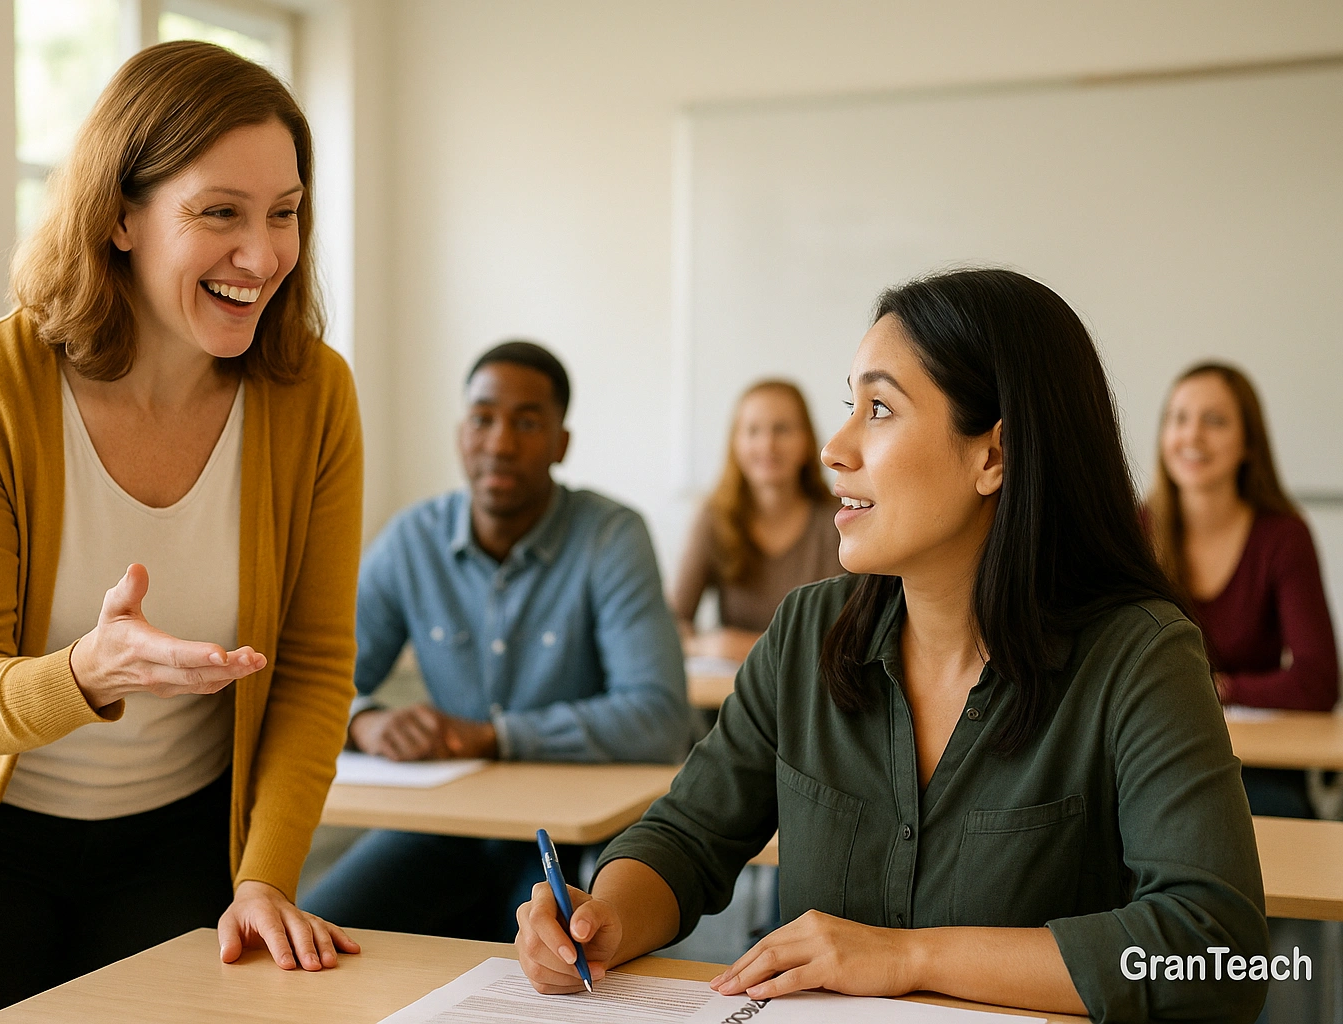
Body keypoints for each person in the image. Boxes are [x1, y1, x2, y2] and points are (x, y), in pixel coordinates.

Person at [515, 269, 1268, 1024]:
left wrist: (907, 957)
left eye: (878, 409)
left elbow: (1215, 951)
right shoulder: (807, 631)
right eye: (850, 405)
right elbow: (688, 837)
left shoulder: (1141, 658)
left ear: (994, 457)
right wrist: (603, 916)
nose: (834, 450)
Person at [0, 42, 362, 1024]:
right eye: (220, 212)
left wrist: (266, 875)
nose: (262, 254)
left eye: (284, 212)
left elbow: (312, 665)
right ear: (121, 216)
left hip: (176, 841)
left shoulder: (313, 395)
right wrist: (88, 671)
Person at [298, 340, 690, 943]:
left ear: (561, 443)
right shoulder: (413, 540)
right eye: (483, 419)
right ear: (461, 433)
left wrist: (495, 737)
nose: (500, 443)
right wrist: (363, 723)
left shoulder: (612, 538)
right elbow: (318, 679)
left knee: (548, 966)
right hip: (443, 829)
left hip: (564, 840)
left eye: (527, 423)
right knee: (307, 938)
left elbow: (659, 719)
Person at [1145, 362, 1338, 819]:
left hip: (1260, 762)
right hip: (1159, 745)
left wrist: (1222, 688)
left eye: (1214, 420)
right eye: (1179, 418)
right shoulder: (1135, 532)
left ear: (1249, 443)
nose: (1192, 436)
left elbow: (1318, 681)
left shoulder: (1283, 536)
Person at [670, 380, 843, 638]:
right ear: (735, 443)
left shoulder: (840, 522)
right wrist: (705, 646)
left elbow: (850, 638)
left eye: (782, 429)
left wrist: (741, 648)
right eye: (753, 431)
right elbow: (672, 624)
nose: (767, 445)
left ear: (807, 441)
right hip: (731, 679)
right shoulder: (714, 519)